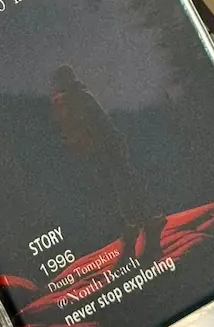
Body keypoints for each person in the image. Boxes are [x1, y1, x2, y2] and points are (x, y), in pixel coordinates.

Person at [50, 64, 150, 258]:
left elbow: (94, 123)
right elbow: (98, 122)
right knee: (119, 185)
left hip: (99, 147)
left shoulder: (72, 99)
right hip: (100, 147)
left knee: (117, 186)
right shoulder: (76, 98)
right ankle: (137, 222)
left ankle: (138, 222)